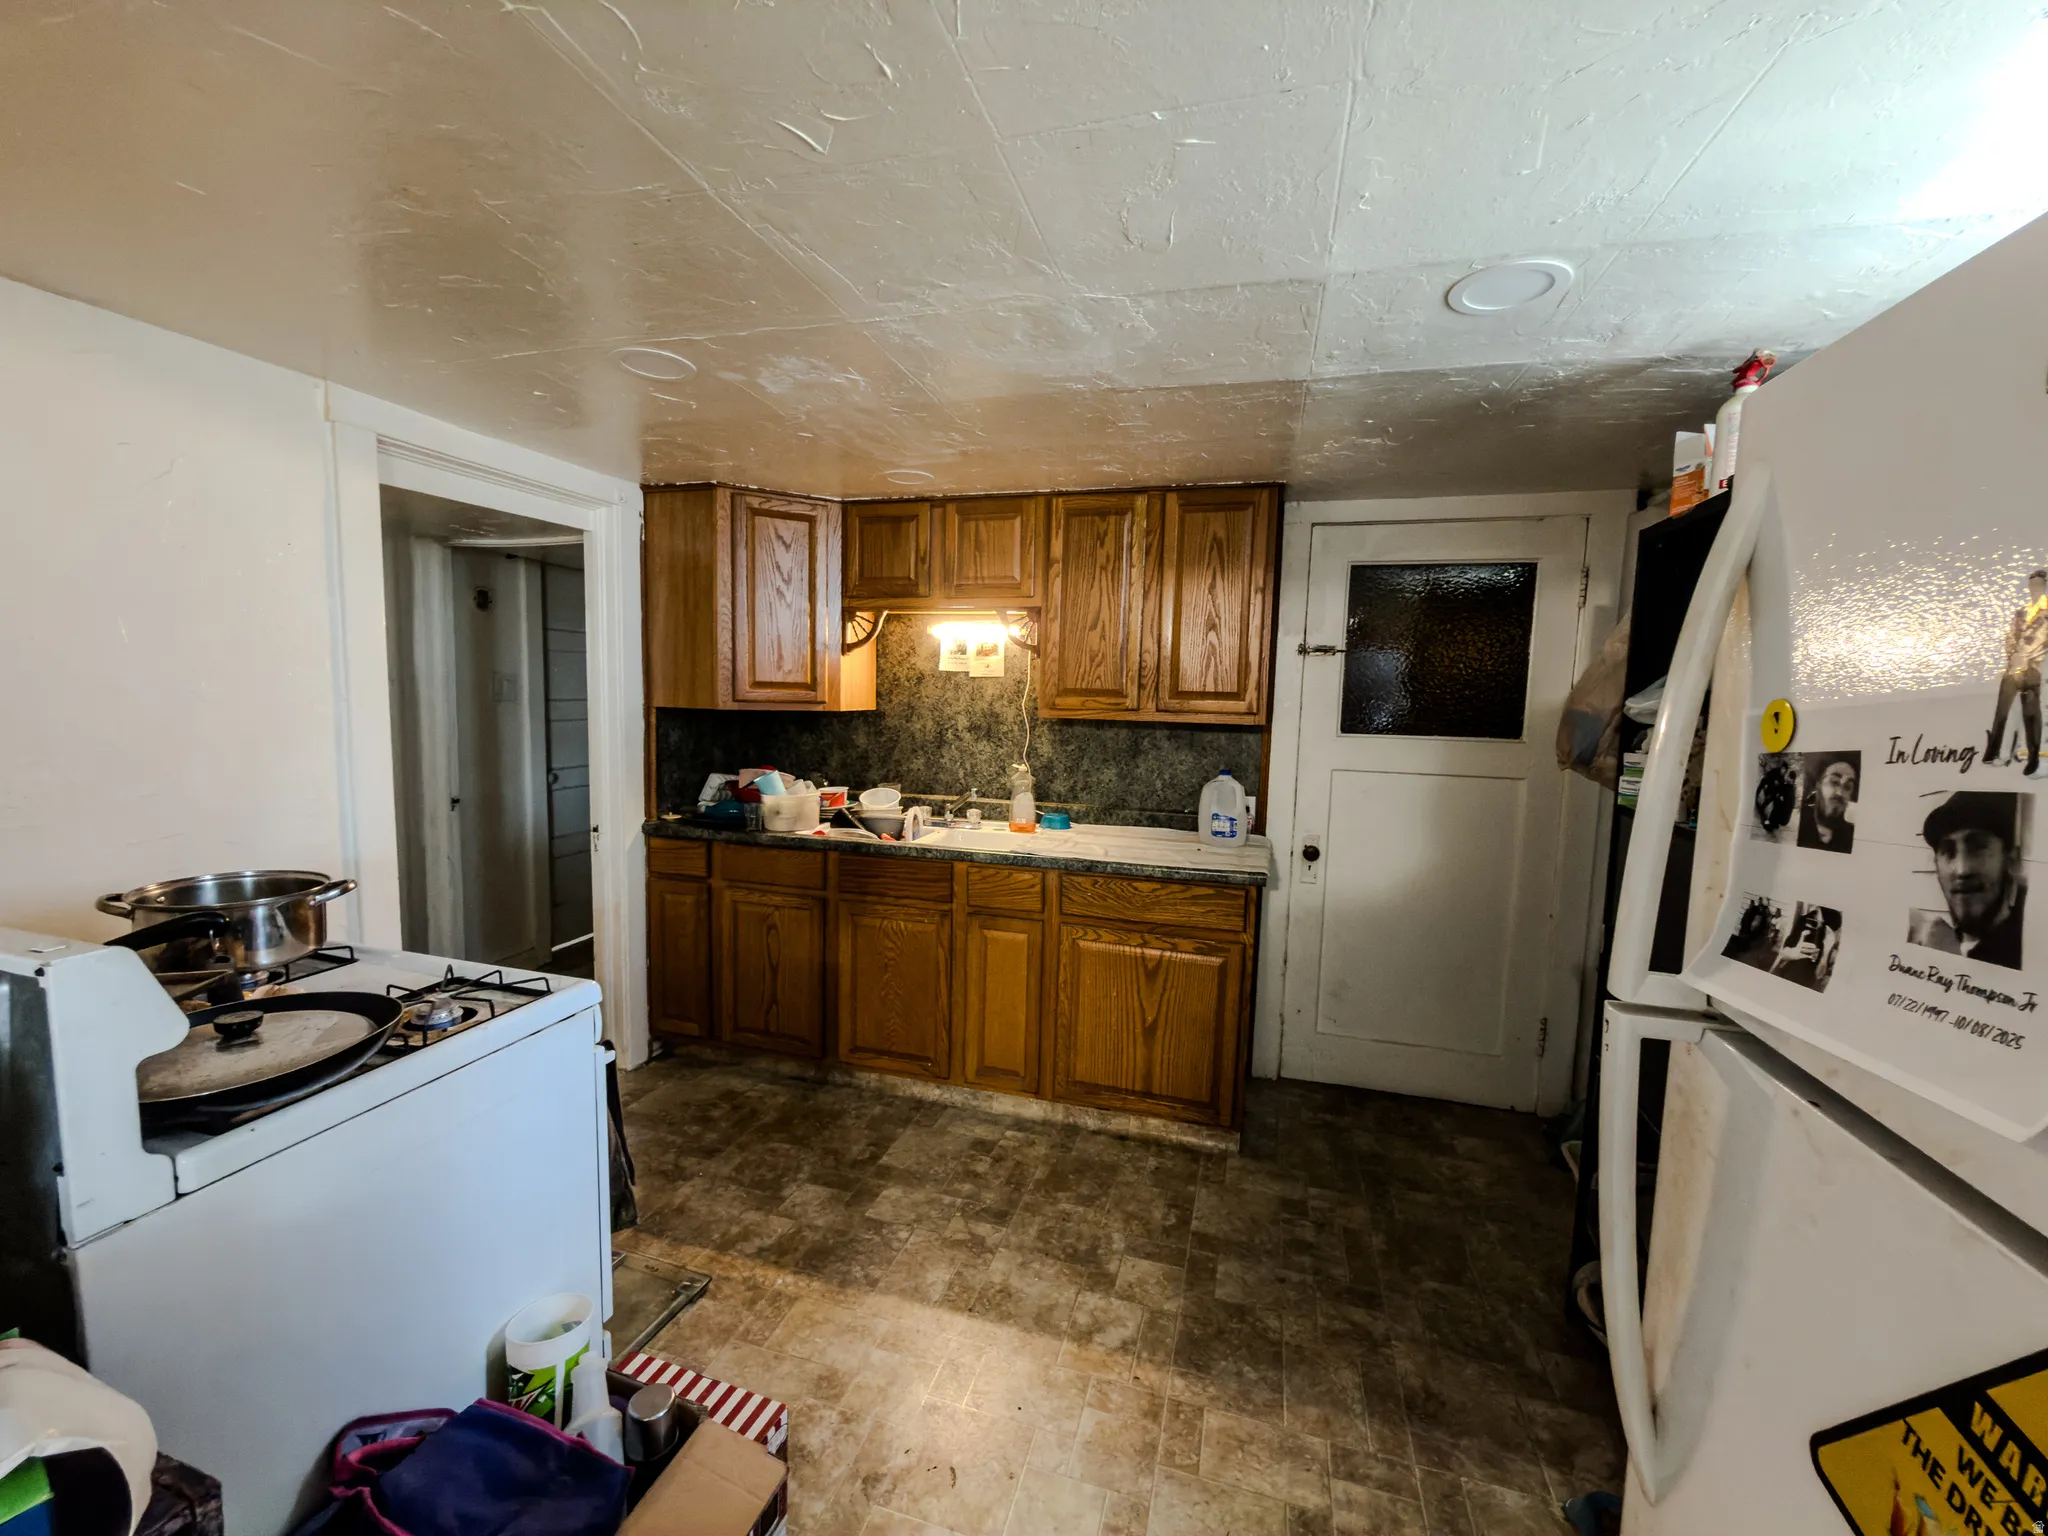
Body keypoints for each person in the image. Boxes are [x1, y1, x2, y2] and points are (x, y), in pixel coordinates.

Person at [1909, 792, 2028, 969]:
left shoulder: (2026, 951)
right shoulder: (1930, 936)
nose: (1962, 870)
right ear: (1936, 866)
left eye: (1977, 847)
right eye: (1948, 851)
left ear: (2010, 860)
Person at [1988, 569, 2047, 775]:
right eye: (2032, 585)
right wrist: (2013, 655)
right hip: (2014, 668)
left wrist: (2027, 656)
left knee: (2031, 715)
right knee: (2003, 711)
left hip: (2034, 668)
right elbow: (2010, 637)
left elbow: (2042, 641)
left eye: (2039, 584)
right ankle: (1996, 753)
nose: (2034, 589)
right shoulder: (2020, 613)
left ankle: (2032, 757)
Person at [1795, 752, 1857, 853]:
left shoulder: (1851, 836)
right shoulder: (1797, 822)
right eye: (1834, 782)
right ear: (1818, 785)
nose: (1840, 793)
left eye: (1848, 787)